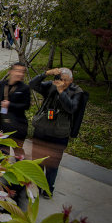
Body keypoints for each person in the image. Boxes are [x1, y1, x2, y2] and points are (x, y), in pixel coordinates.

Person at [29, 68, 84, 198]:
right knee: (37, 161)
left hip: (59, 134)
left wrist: (61, 92)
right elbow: (32, 84)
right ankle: (35, 186)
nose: (62, 82)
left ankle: (48, 189)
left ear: (71, 80)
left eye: (66, 80)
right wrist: (46, 74)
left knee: (52, 165)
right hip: (42, 130)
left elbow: (71, 108)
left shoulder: (77, 92)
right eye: (60, 79)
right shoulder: (51, 85)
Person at [0, 62, 31, 158]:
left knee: (17, 151)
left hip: (18, 126)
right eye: (17, 71)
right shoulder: (2, 84)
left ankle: (20, 169)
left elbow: (26, 106)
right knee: (2, 151)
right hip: (3, 124)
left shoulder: (24, 88)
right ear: (10, 72)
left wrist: (10, 104)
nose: (20, 74)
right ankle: (1, 171)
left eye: (22, 72)